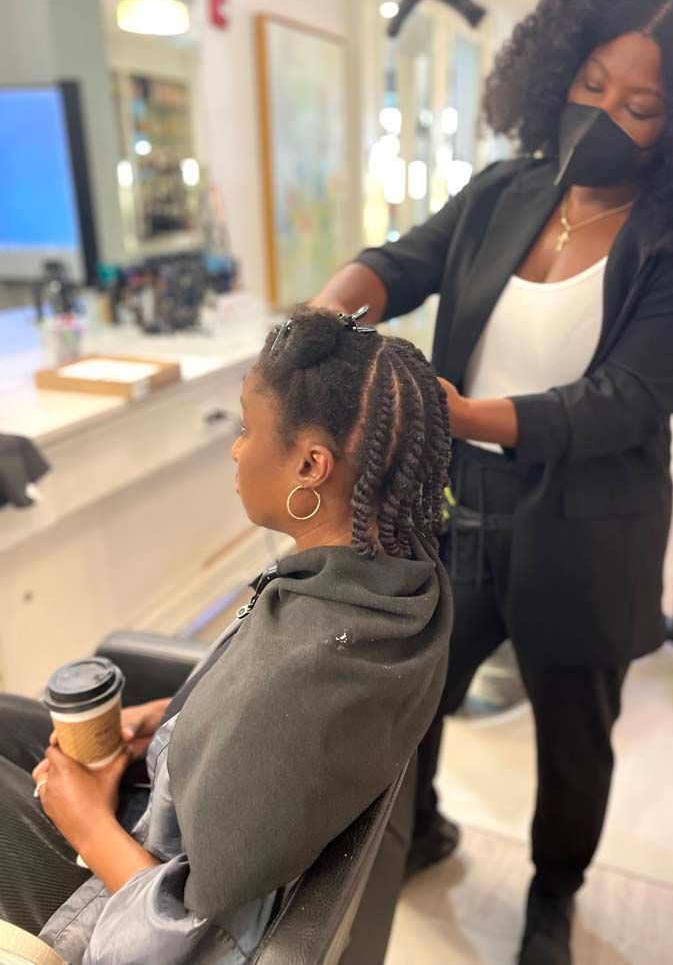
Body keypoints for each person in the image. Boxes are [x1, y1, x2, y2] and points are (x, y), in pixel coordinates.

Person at [311, 0, 673, 965]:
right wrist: (332, 306)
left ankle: (551, 896)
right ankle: (424, 826)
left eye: (641, 104)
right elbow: (405, 258)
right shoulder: (506, 192)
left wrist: (460, 412)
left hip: (586, 518)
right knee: (415, 693)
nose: (605, 113)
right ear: (556, 72)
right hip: (452, 502)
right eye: (591, 83)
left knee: (574, 736)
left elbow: (624, 400)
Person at [0, 306, 453, 964]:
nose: (237, 449)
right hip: (171, 808)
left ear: (310, 465)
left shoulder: (305, 676)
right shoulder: (394, 584)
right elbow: (258, 723)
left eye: (247, 429)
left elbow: (193, 932)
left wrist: (87, 822)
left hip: (122, 900)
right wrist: (177, 719)